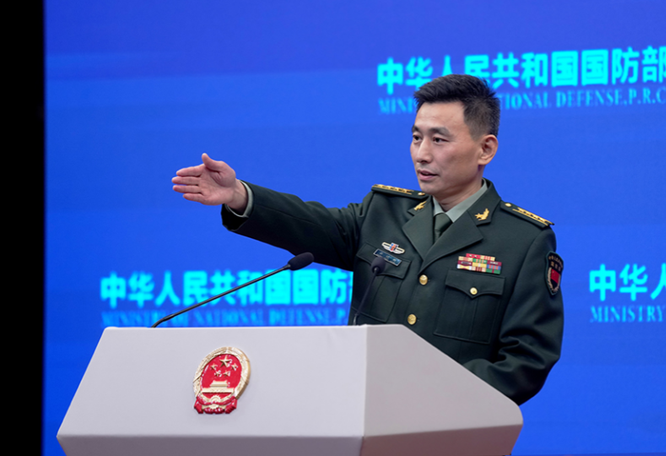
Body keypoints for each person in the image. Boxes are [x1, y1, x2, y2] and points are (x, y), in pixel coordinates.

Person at [172, 74, 563, 405]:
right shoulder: (382, 212)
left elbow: (527, 360)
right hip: (363, 420)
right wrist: (239, 195)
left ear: (485, 149)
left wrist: (438, 395)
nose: (421, 154)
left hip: (453, 429)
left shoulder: (523, 240)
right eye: (416, 137)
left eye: (439, 140)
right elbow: (310, 224)